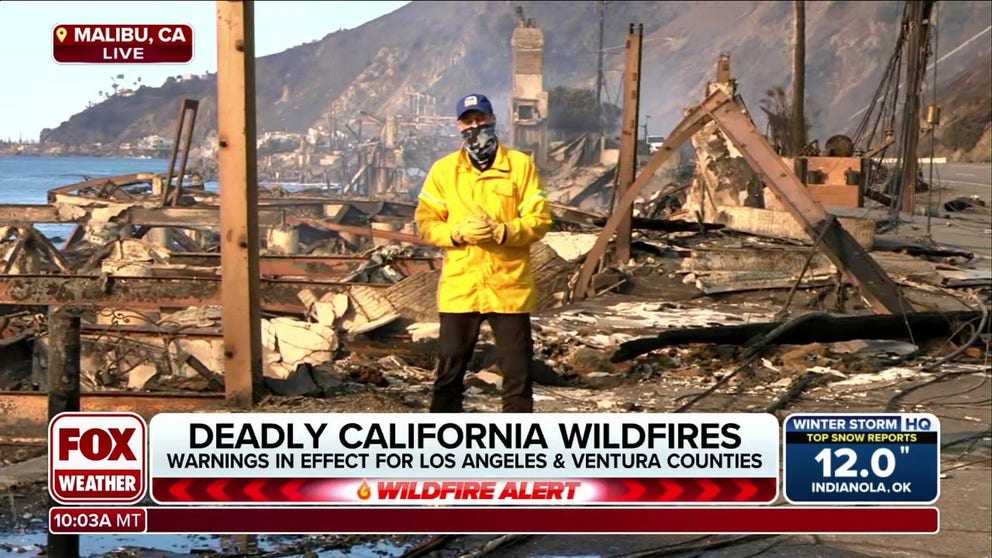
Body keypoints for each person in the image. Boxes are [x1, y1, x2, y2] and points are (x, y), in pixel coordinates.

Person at [414, 93, 552, 413]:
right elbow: (426, 223)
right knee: (450, 369)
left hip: (509, 286)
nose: (475, 126)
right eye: (468, 120)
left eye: (481, 119)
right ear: (458, 125)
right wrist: (456, 233)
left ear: (493, 119)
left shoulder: (520, 165)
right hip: (462, 287)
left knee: (518, 372)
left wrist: (504, 231)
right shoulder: (443, 171)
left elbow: (540, 219)